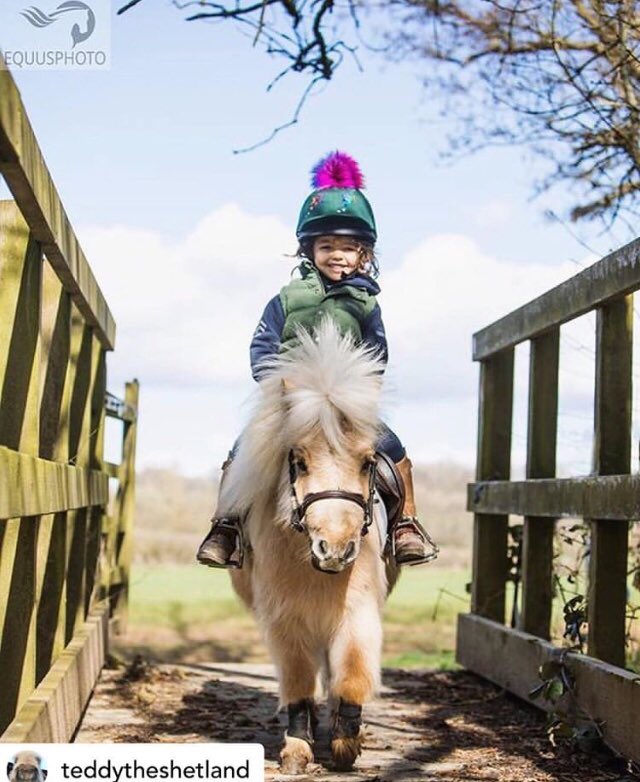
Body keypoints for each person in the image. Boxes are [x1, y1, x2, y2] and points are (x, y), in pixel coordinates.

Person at [197, 151, 438, 568]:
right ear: (310, 251)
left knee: (391, 448)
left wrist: (364, 390)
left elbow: (376, 355)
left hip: (347, 407)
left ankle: (405, 525)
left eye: (348, 248)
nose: (337, 255)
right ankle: (226, 527)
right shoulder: (286, 299)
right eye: (327, 246)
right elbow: (262, 347)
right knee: (242, 450)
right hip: (292, 404)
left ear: (363, 254)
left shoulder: (366, 306)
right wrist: (279, 384)